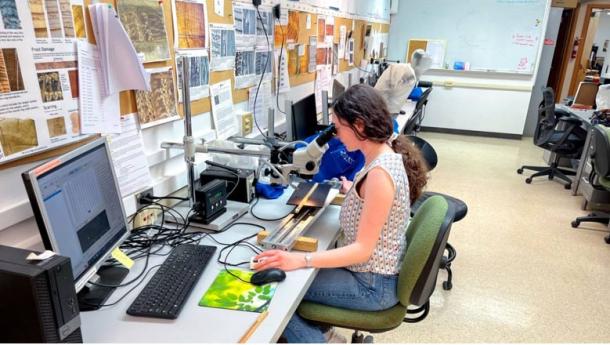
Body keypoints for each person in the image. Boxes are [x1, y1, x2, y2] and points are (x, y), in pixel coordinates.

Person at [253, 84, 429, 343]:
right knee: (293, 271)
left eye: (337, 126)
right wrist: (355, 193)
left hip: (372, 285)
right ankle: (326, 334)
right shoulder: (383, 156)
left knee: (280, 293)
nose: (335, 135)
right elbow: (377, 206)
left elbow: (362, 250)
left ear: (359, 125)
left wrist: (301, 260)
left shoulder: (379, 175)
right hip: (370, 274)